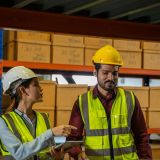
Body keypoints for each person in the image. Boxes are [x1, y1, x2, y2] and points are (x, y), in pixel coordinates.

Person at [68, 45, 152, 160]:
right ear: (95, 72)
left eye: (115, 73)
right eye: (105, 72)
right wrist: (76, 153)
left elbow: (142, 137)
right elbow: (73, 139)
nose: (111, 77)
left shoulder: (129, 99)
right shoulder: (82, 103)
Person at [0, 66, 77, 160]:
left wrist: (65, 145)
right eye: (36, 85)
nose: (41, 88)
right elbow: (19, 153)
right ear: (23, 90)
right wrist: (51, 132)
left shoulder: (43, 118)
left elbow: (48, 146)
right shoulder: (4, 122)